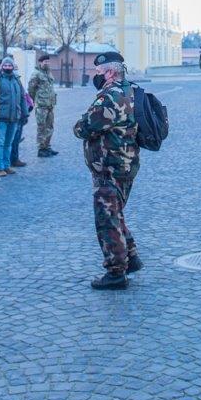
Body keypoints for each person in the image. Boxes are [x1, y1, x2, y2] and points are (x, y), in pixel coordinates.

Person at [73, 51, 141, 291]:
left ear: (110, 72)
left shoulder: (109, 98)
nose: (96, 76)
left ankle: (116, 271)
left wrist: (80, 125)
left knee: (107, 219)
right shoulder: (130, 91)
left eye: (99, 72)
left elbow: (84, 127)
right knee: (116, 212)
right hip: (126, 162)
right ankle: (130, 256)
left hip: (109, 166)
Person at [0, 57, 26, 177]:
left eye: (9, 65)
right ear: (2, 67)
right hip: (1, 117)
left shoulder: (17, 80)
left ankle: (6, 166)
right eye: (5, 65)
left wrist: (24, 113)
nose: (7, 67)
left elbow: (22, 97)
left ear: (13, 66)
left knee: (9, 143)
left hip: (14, 117)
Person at [27, 54, 59, 157]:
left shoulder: (48, 73)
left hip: (50, 105)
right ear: (40, 63)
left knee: (50, 127)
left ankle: (47, 147)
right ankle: (41, 149)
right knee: (41, 128)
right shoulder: (36, 74)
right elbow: (31, 89)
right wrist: (33, 100)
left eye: (48, 62)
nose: (47, 63)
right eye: (45, 62)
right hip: (41, 106)